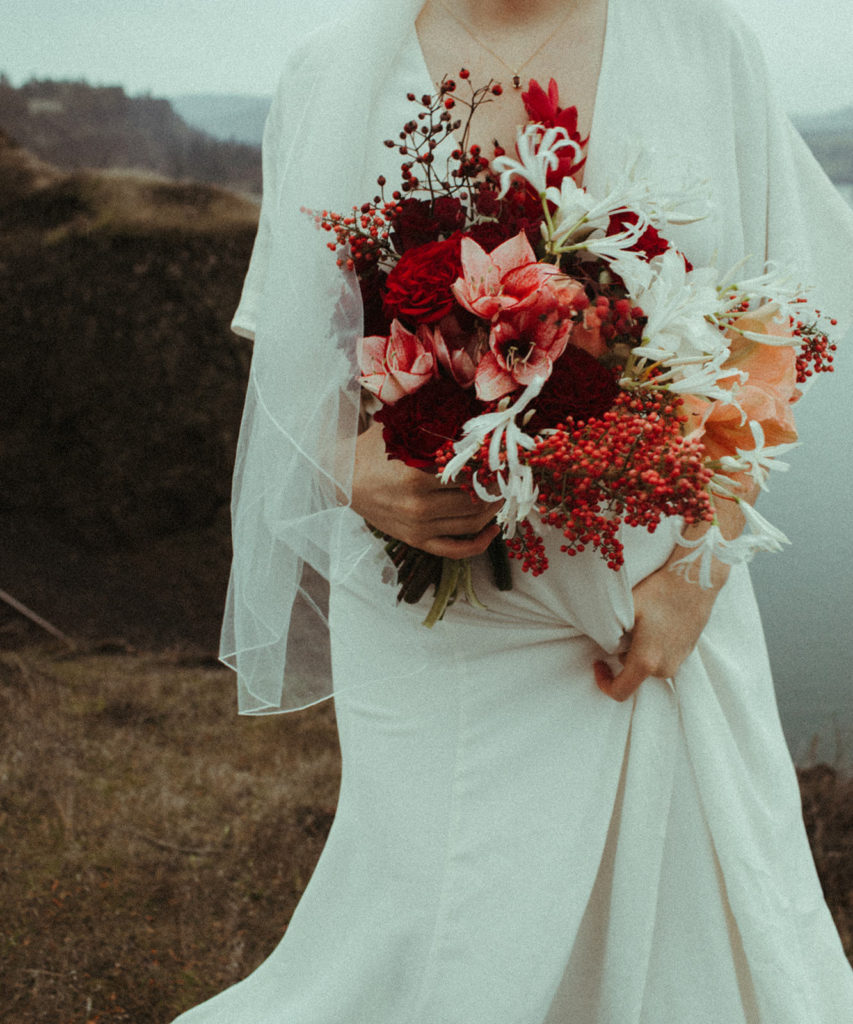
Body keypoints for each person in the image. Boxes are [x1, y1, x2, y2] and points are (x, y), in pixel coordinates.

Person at [174, 0, 853, 1021]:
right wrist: (348, 467)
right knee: (448, 927)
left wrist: (695, 577)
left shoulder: (705, 46)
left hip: (656, 614)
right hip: (435, 622)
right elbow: (291, 357)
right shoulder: (331, 72)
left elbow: (770, 340)